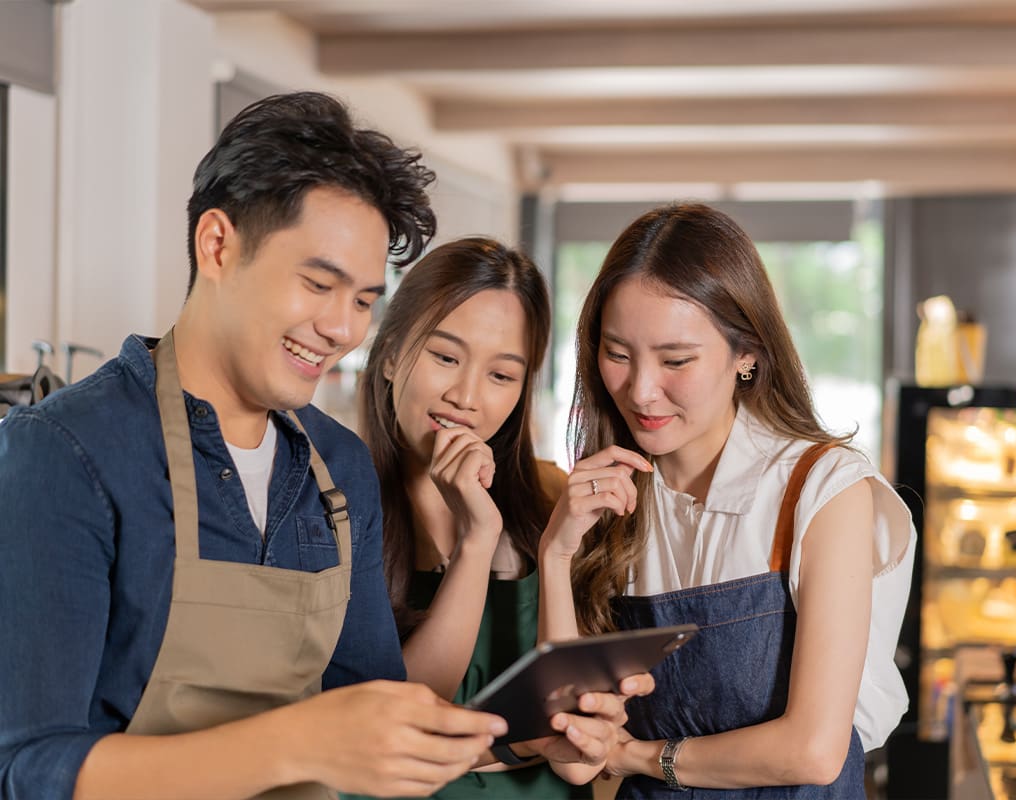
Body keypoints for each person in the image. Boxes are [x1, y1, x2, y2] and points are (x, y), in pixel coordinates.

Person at [1, 92, 558, 800]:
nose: (342, 328)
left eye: (362, 301)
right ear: (218, 245)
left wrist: (531, 733)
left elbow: (375, 713)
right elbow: (26, 769)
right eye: (318, 283)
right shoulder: (66, 453)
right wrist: (296, 741)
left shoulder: (337, 470)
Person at [538, 203, 916, 798]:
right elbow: (576, 761)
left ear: (747, 354)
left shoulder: (821, 490)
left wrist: (639, 756)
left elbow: (813, 751)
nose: (640, 390)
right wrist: (556, 557)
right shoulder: (609, 498)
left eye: (675, 360)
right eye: (618, 353)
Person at [352, 237, 651, 799]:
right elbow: (407, 720)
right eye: (445, 357)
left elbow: (578, 743)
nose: (466, 397)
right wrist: (475, 539)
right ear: (391, 354)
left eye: (501, 375)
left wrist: (555, 555)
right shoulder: (334, 500)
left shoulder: (550, 496)